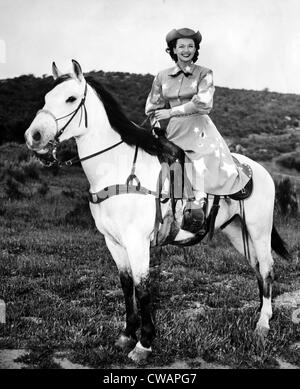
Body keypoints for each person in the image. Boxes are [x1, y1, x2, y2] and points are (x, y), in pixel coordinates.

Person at [145, 27, 250, 233]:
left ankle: (198, 207)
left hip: (199, 129)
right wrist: (155, 125)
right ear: (173, 49)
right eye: (181, 46)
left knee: (201, 161)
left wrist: (171, 112)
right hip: (173, 129)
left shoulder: (205, 73)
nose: (186, 50)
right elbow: (152, 106)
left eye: (190, 46)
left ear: (195, 49)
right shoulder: (162, 76)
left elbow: (204, 103)